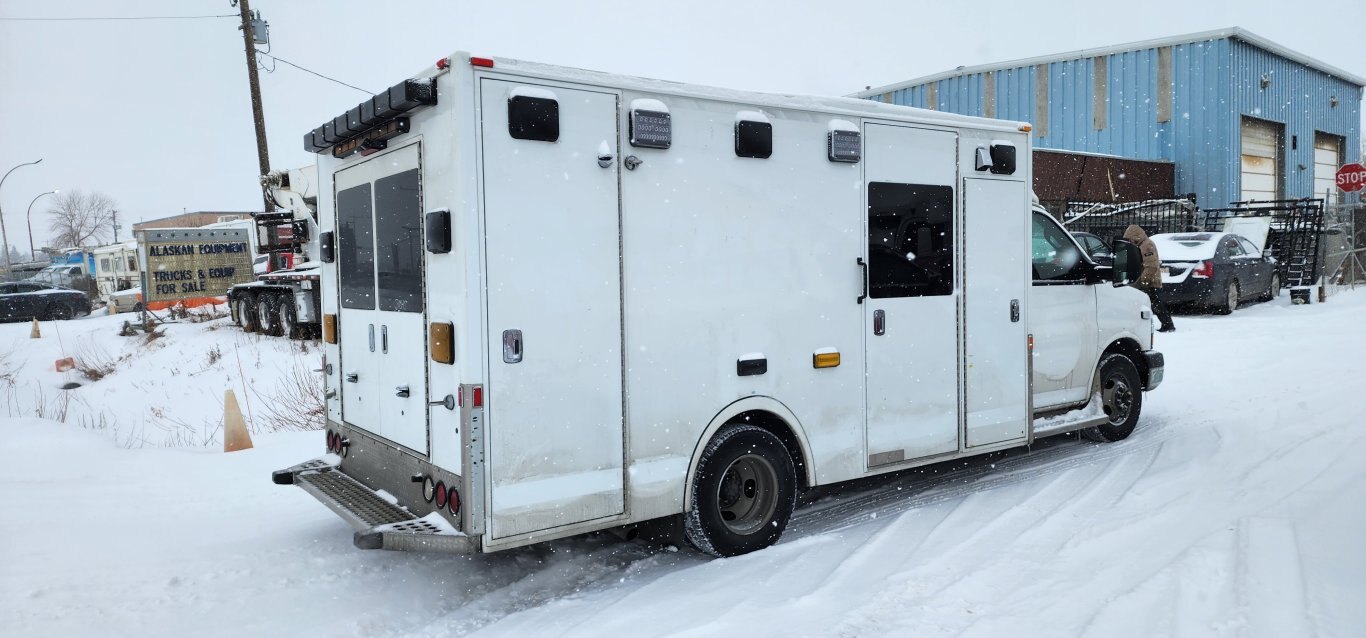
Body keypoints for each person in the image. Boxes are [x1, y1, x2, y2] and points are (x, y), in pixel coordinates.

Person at [1123, 224, 1175, 332]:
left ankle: (1168, 325)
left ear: (1135, 236)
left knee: (1156, 304)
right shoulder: (1142, 244)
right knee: (1153, 303)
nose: (1129, 242)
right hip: (1146, 279)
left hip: (1150, 281)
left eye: (1130, 239)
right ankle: (1167, 324)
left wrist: (1144, 281)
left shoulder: (1146, 245)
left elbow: (1151, 266)